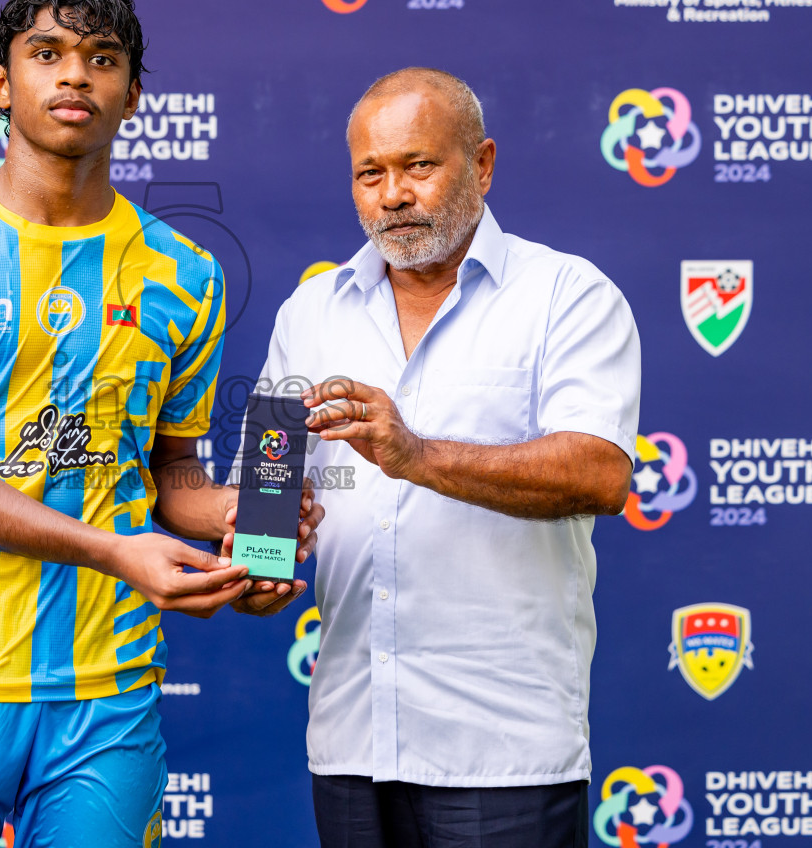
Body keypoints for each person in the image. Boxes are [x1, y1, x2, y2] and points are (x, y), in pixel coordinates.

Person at [0, 0, 322, 848]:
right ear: (1, 82)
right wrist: (114, 549)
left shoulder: (183, 274)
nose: (75, 74)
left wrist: (244, 523)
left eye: (103, 58)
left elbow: (171, 472)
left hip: (108, 691)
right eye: (47, 52)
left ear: (133, 94)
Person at [257, 68, 641, 848]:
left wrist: (415, 453)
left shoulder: (568, 295)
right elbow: (269, 484)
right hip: (352, 738)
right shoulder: (310, 312)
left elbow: (600, 474)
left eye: (417, 166)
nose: (392, 194)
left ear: (483, 164)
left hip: (502, 749)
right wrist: (260, 566)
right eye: (371, 173)